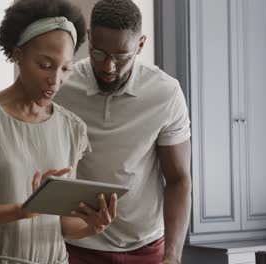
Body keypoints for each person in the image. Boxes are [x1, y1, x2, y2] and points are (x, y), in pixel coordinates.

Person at [0, 0, 117, 263]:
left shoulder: (72, 128)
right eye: (45, 65)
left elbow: (64, 225)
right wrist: (20, 211)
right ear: (18, 55)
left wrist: (94, 226)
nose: (55, 80)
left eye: (65, 68)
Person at [54, 0, 192, 263]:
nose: (108, 67)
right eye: (99, 53)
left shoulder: (165, 93)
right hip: (78, 245)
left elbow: (178, 180)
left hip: (147, 247)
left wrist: (172, 256)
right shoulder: (63, 87)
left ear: (140, 45)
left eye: (121, 57)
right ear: (89, 39)